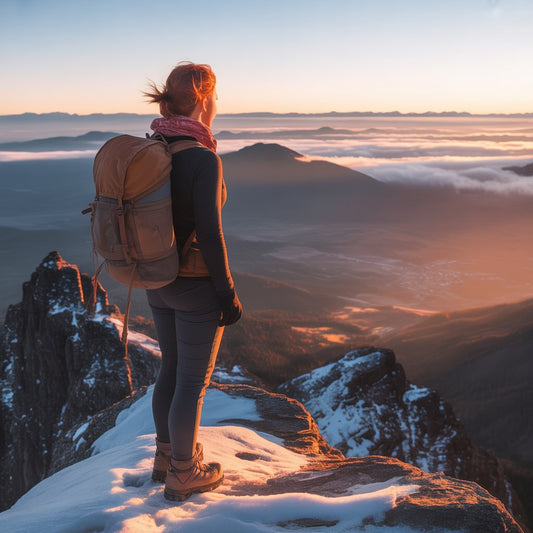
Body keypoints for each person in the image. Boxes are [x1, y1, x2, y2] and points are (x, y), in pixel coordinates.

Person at [143, 62, 242, 501]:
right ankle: (184, 472)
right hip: (195, 285)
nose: (216, 105)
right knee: (191, 383)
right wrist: (227, 292)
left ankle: (165, 459)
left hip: (155, 278)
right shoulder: (203, 157)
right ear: (204, 100)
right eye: (215, 97)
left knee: (170, 369)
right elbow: (211, 231)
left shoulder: (154, 147)